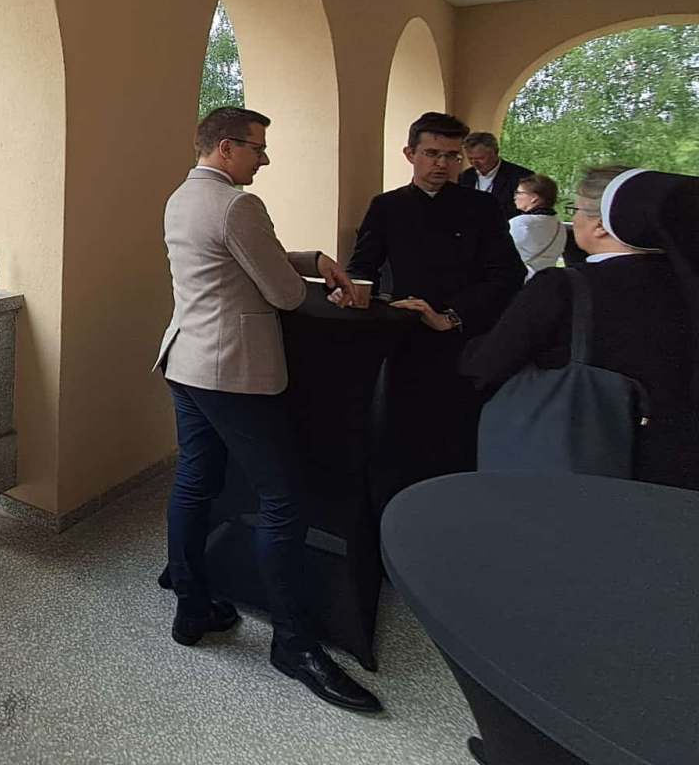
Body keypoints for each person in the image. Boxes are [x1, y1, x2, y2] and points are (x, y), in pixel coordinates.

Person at [157, 107, 380, 713]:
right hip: (231, 370)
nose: (265, 158)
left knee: (195, 481)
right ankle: (293, 644)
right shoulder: (238, 205)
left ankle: (191, 606)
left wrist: (312, 258)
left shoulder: (183, 196)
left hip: (186, 360)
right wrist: (310, 277)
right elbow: (282, 293)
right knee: (285, 500)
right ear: (226, 147)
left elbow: (248, 259)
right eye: (258, 147)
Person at [464, 167, 699, 490]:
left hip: (588, 464)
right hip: (677, 468)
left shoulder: (565, 287)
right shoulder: (685, 285)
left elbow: (489, 364)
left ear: (601, 225)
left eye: (576, 209)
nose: (573, 220)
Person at [348, 112, 525, 493]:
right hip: (404, 342)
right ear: (410, 154)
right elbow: (363, 266)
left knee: (457, 441)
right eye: (431, 154)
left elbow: (508, 275)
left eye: (451, 156)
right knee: (399, 439)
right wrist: (351, 290)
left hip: (465, 341)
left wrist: (451, 316)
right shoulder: (387, 206)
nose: (441, 164)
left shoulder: (482, 208)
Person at [458, 131, 534, 216]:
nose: (475, 163)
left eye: (480, 158)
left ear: (496, 152)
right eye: (470, 159)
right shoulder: (465, 176)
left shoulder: (521, 177)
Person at [508, 174, 567, 278]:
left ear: (534, 198)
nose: (515, 197)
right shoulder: (560, 226)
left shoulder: (520, 223)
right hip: (546, 280)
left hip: (520, 280)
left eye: (519, 193)